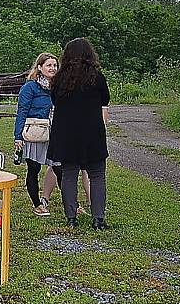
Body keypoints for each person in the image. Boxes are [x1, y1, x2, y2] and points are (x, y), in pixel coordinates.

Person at [48, 38, 111, 229]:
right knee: (97, 175)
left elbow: (54, 101)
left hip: (66, 134)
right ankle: (98, 218)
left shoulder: (59, 78)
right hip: (92, 132)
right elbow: (105, 99)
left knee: (69, 174)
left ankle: (71, 218)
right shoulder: (96, 77)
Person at [14, 52, 62, 216]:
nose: (53, 68)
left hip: (55, 132)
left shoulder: (59, 87)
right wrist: (18, 136)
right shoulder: (30, 87)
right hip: (35, 132)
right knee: (33, 168)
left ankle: (71, 204)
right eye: (49, 65)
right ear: (40, 67)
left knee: (60, 168)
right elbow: (22, 111)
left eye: (55, 65)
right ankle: (37, 205)